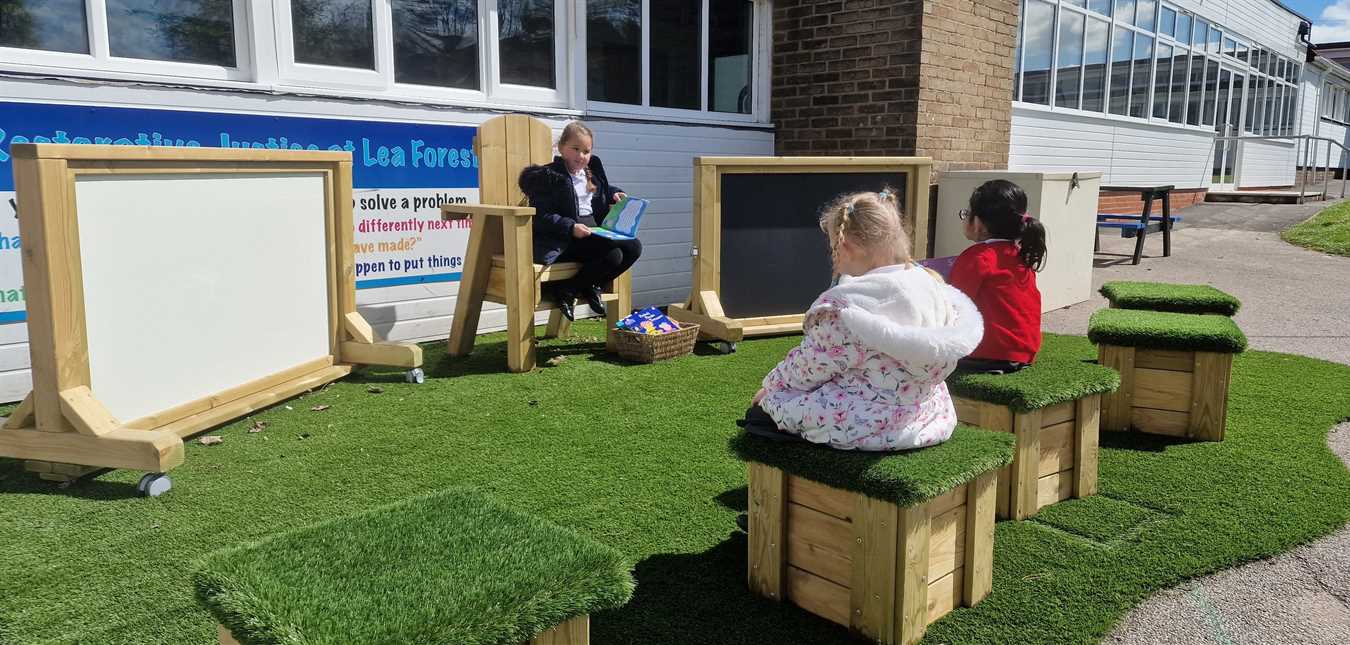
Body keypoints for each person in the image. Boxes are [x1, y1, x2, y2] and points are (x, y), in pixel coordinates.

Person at [741, 189, 983, 451]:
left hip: (867, 422)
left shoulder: (850, 311)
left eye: (833, 246)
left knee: (761, 414)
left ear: (847, 247)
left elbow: (808, 367)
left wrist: (769, 389)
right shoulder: (931, 285)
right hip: (928, 414)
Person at [518, 121, 642, 321]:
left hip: (594, 234)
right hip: (564, 241)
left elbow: (602, 190)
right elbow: (540, 215)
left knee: (633, 247)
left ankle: (581, 287)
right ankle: (575, 288)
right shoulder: (549, 177)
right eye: (575, 149)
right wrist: (570, 227)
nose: (581, 156)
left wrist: (615, 194)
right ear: (561, 148)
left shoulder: (590, 173)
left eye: (586, 151)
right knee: (614, 255)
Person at [948, 179, 1046, 374]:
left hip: (987, 355)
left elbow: (950, 306)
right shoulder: (1021, 254)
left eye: (966, 213)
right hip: (1024, 352)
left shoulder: (977, 257)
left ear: (978, 223)